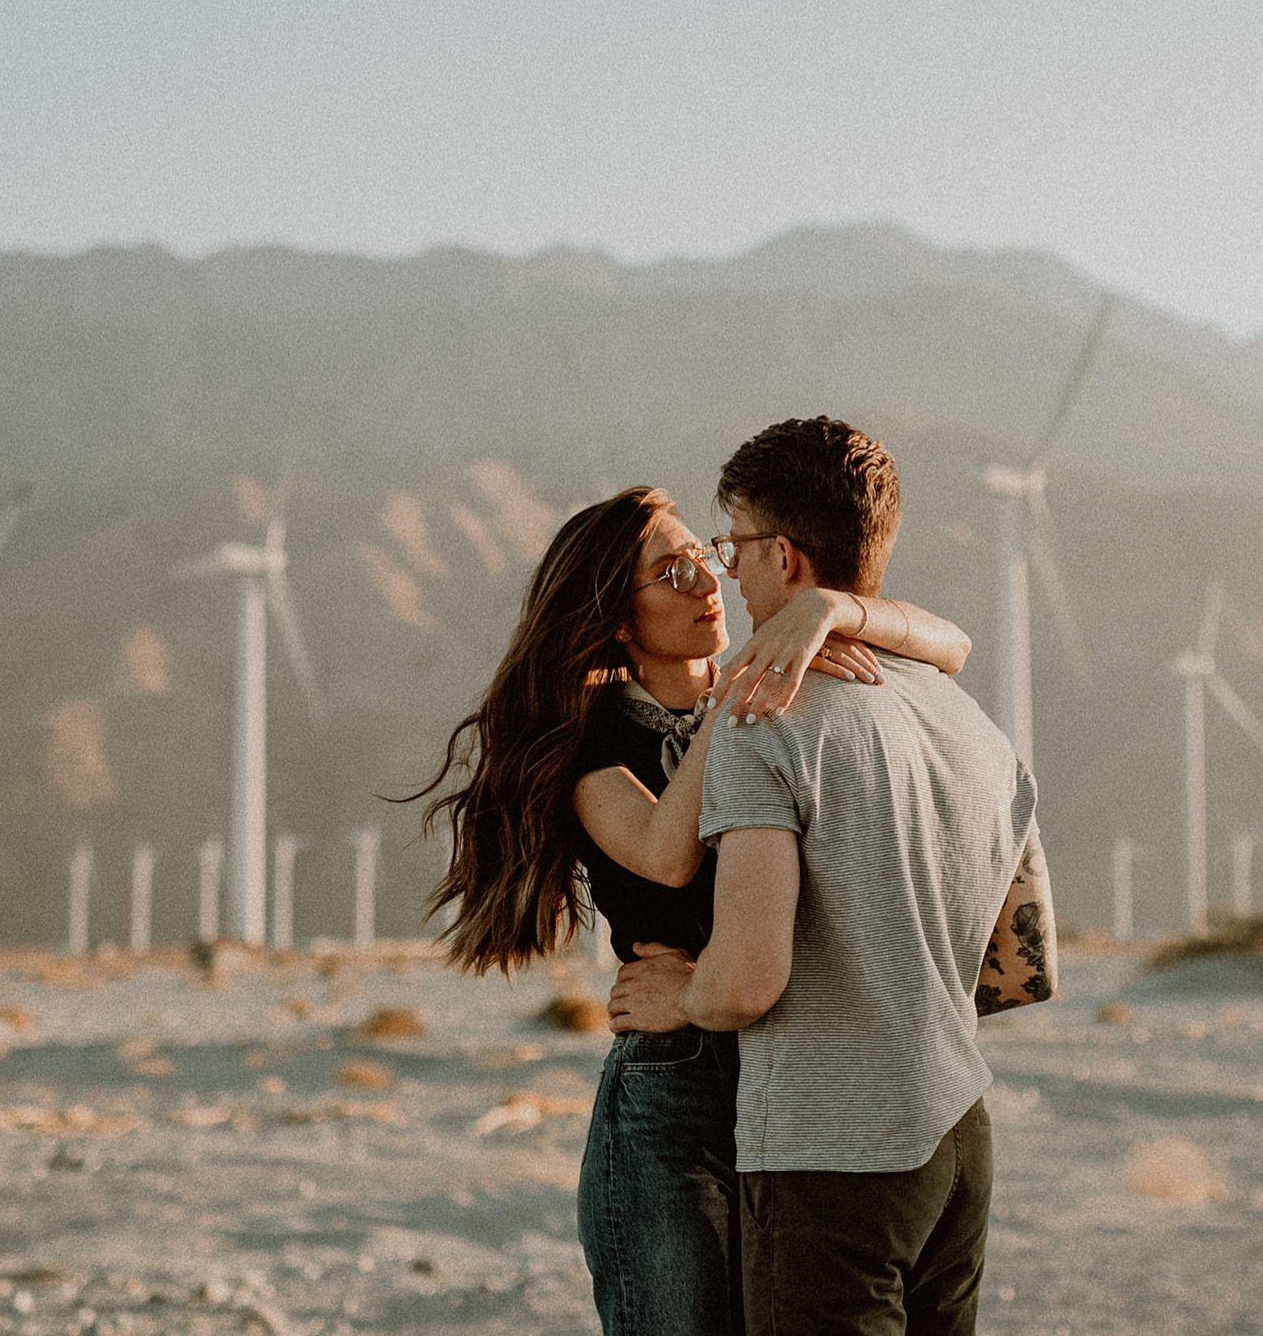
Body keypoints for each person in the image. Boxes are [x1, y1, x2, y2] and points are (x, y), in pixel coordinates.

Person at [414, 485, 974, 1336]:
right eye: (673, 573)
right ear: (617, 618)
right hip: (673, 1091)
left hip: (789, 1075)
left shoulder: (779, 677)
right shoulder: (596, 743)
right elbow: (665, 851)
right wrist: (742, 690)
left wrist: (833, 611)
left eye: (706, 557)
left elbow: (953, 646)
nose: (709, 583)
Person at [609, 418, 1055, 1336]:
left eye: (734, 548)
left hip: (833, 1152)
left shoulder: (763, 722)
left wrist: (679, 993)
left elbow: (747, 981)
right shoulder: (966, 718)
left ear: (785, 557)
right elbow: (1019, 959)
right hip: (958, 1135)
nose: (727, 575)